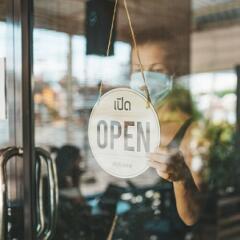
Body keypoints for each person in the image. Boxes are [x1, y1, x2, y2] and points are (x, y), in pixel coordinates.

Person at [130, 30, 203, 226]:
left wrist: (181, 178)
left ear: (174, 74)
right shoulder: (133, 124)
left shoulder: (190, 131)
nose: (144, 79)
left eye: (157, 70)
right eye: (138, 70)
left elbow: (192, 216)